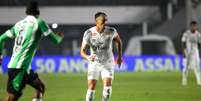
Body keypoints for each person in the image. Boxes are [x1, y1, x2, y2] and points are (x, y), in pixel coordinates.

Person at [0, 1, 64, 101]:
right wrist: (60, 37)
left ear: (26, 11)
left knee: (40, 87)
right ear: (38, 11)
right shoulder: (39, 23)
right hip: (19, 67)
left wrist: (0, 56)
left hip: (23, 67)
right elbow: (55, 40)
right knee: (12, 98)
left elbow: (1, 39)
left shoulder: (18, 24)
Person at [80, 12, 122, 101]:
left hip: (108, 63)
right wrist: (88, 57)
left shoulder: (111, 31)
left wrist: (119, 57)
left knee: (107, 89)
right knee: (91, 88)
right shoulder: (88, 33)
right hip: (94, 64)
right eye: (103, 18)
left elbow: (118, 41)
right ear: (97, 20)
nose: (106, 20)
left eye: (106, 19)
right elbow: (82, 51)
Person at [181, 21, 201, 86]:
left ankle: (199, 81)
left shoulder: (198, 34)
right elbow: (183, 43)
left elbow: (199, 44)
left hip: (195, 51)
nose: (193, 27)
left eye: (195, 26)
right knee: (185, 67)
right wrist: (184, 52)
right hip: (187, 51)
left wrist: (199, 53)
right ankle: (184, 81)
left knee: (197, 65)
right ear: (190, 26)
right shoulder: (186, 34)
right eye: (192, 26)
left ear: (196, 26)